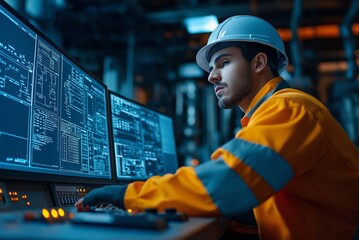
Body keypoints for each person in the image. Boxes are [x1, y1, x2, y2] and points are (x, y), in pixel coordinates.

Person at [75, 15, 359, 239]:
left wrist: (128, 196)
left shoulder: (289, 109)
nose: (212, 76)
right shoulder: (271, 113)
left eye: (224, 62)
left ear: (259, 62)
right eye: (211, 67)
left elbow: (228, 181)